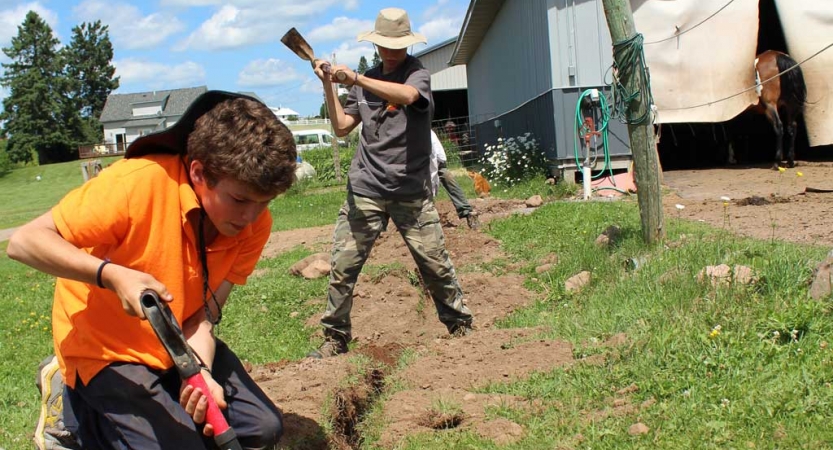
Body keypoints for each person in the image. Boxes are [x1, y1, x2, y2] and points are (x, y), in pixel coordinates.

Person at [8, 91, 297, 449]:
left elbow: (201, 318)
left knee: (262, 428)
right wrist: (113, 275)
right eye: (239, 200)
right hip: (106, 349)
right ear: (198, 172)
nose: (250, 217)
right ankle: (70, 406)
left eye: (263, 202)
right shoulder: (137, 183)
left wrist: (200, 372)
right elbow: (24, 242)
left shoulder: (254, 223)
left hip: (173, 344)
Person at [306, 7, 474, 359]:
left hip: (409, 190)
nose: (392, 50)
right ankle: (335, 337)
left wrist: (355, 80)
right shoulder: (364, 79)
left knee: (435, 264)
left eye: (399, 44)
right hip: (366, 187)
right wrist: (327, 82)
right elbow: (340, 126)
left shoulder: (418, 75)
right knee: (342, 267)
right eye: (387, 44)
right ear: (378, 45)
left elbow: (407, 97)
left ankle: (461, 328)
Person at [430, 129, 480, 229]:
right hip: (430, 160)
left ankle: (468, 212)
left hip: (434, 160)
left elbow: (436, 159)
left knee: (444, 177)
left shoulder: (423, 132)